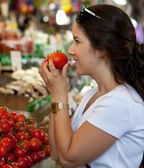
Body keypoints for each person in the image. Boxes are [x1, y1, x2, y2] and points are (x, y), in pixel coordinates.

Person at [39, 4, 144, 168]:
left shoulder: (121, 103)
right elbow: (56, 152)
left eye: (77, 41)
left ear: (101, 48)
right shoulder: (94, 94)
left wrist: (60, 95)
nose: (70, 50)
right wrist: (55, 94)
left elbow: (68, 159)